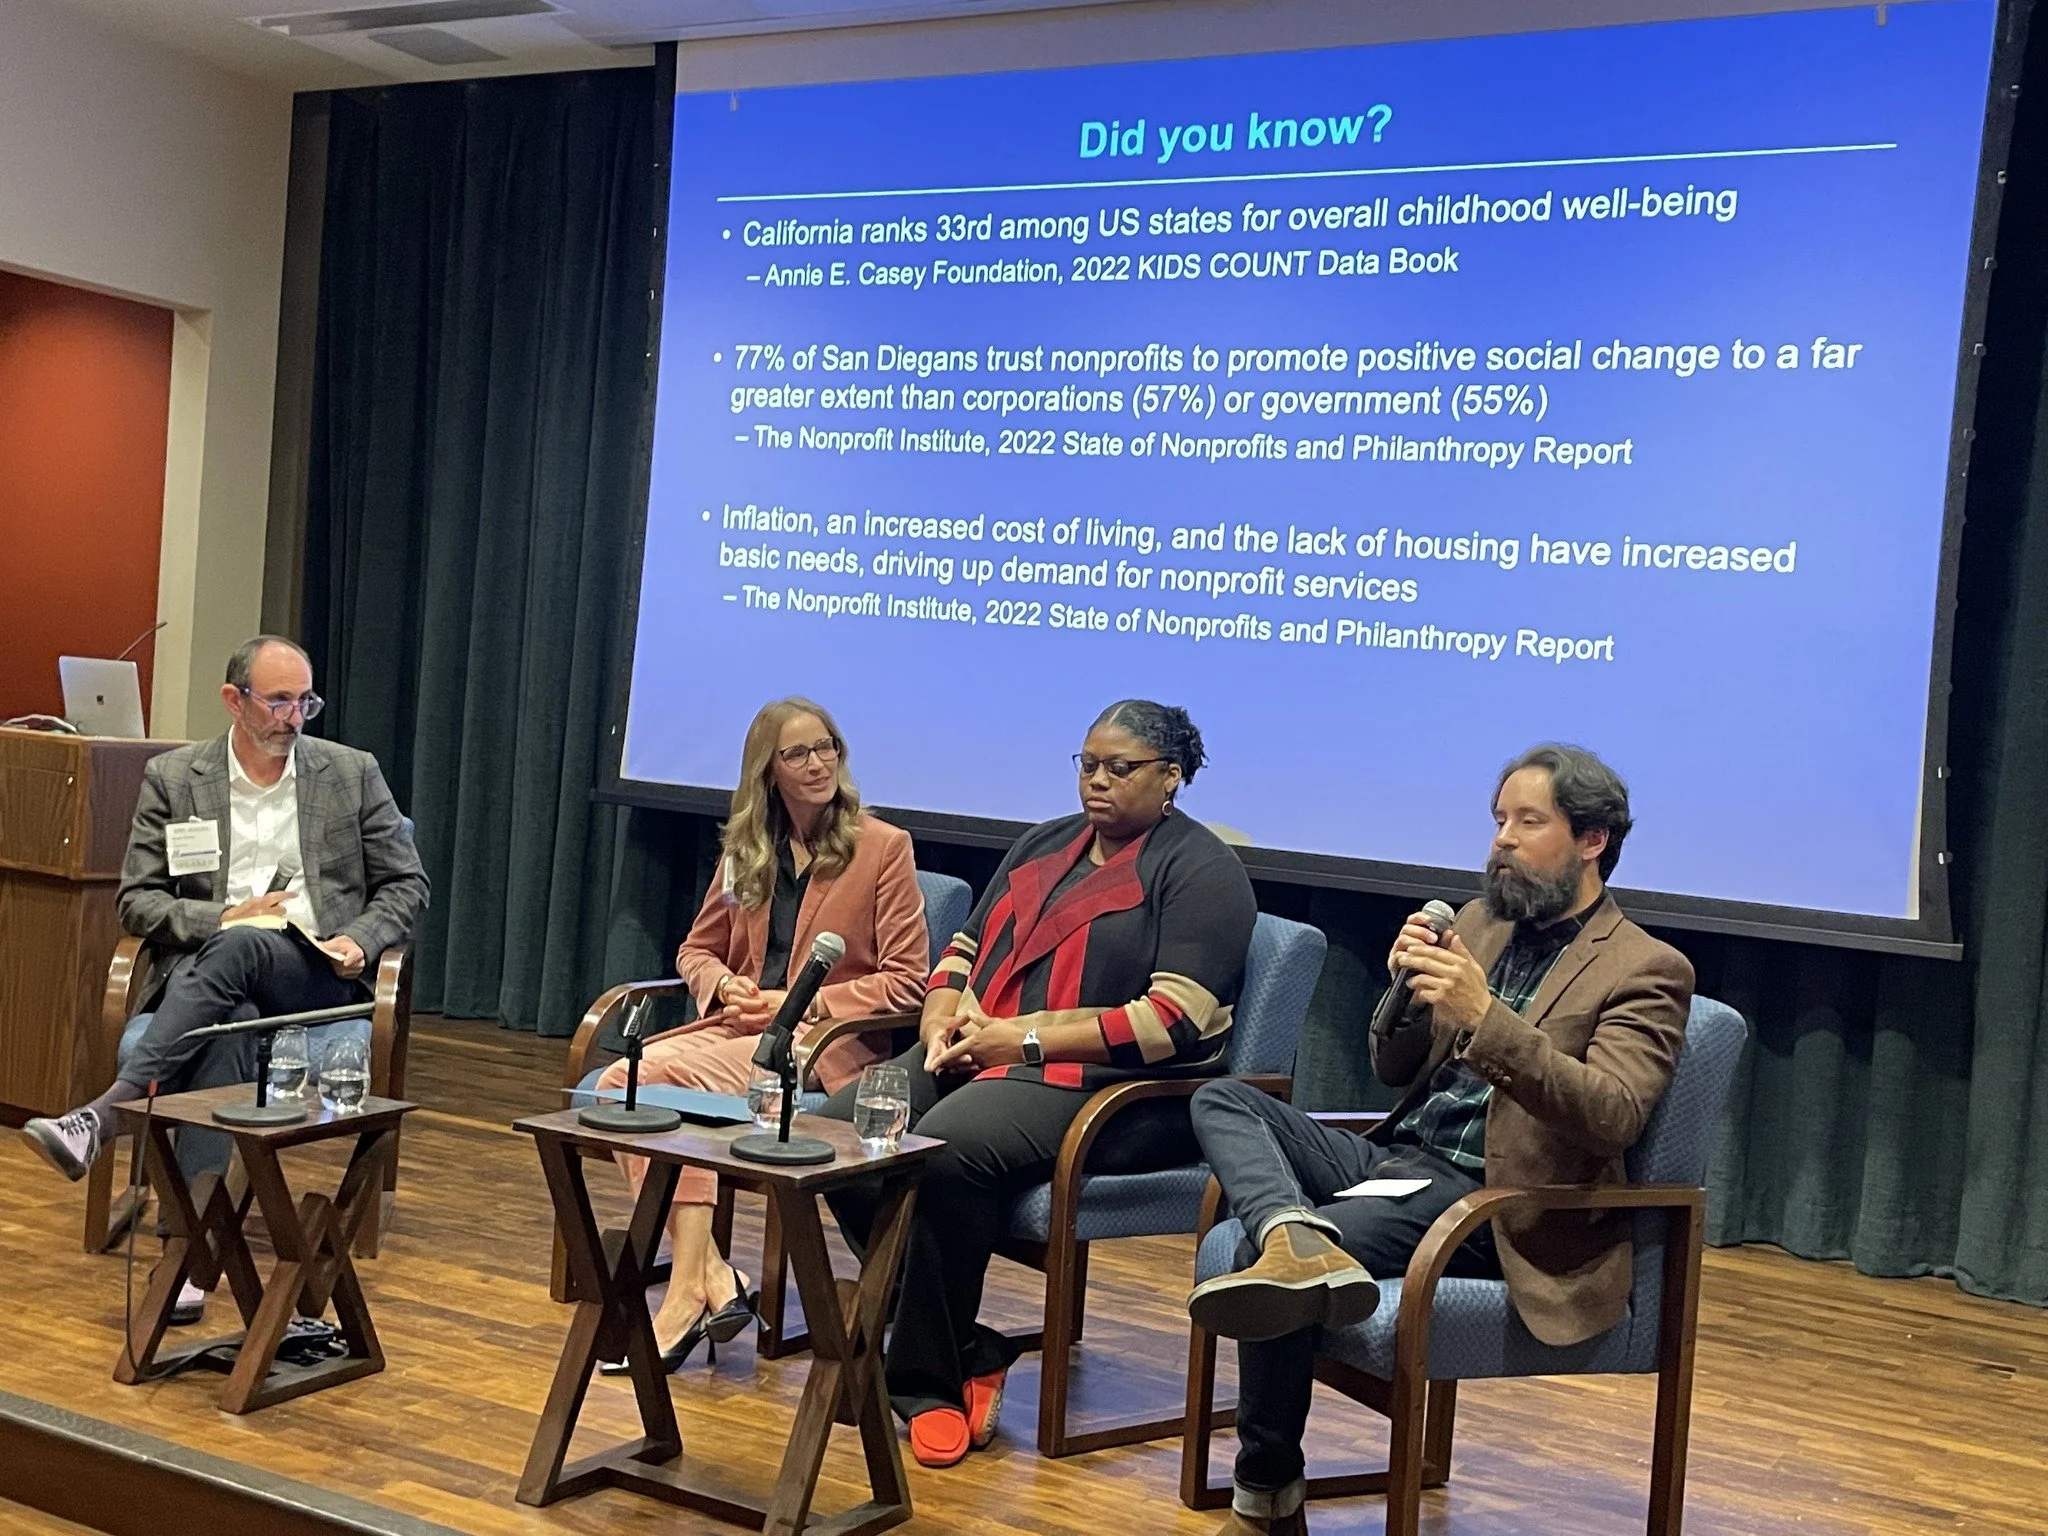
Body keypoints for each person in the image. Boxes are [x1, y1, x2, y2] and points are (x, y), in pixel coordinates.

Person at [1182, 743, 1693, 1536]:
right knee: (1226, 1098)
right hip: (1399, 1157)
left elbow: (1614, 1113)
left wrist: (1487, 1020)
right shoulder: (1483, 926)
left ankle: (1265, 1494)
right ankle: (1291, 1229)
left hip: (1493, 1198)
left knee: (1270, 1265)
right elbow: (1391, 1070)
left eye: (1529, 822)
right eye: (1498, 821)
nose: (1502, 841)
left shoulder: (1645, 967)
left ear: (1592, 840)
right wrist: (1409, 995)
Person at [818, 699, 1258, 1469]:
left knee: (950, 1152)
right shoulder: (1044, 843)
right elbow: (963, 943)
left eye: (1120, 768)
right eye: (1087, 764)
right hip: (988, 1052)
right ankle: (965, 1346)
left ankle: (926, 1382)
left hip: (1117, 1091)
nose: (1097, 781)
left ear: (1172, 778)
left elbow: (1172, 1022)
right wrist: (942, 1012)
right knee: (837, 1133)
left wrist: (1018, 1040)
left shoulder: (1202, 870)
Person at [21, 636, 428, 1318]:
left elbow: (406, 885)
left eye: (306, 701)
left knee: (241, 949)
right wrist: (223, 915)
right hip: (212, 982)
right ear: (234, 700)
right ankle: (195, 1259)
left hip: (315, 970)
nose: (294, 718)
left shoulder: (351, 773)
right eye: (278, 701)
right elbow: (137, 900)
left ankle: (105, 1114)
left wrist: (359, 940)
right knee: (229, 1024)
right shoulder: (178, 779)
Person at [597, 697, 927, 1371]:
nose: (818, 764)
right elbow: (696, 950)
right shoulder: (748, 850)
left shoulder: (882, 848)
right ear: (767, 770)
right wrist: (722, 984)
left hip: (820, 1048)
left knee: (647, 1083)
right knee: (615, 1085)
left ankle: (698, 1284)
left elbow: (906, 983)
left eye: (827, 747)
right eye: (798, 753)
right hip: (736, 1033)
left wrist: (790, 1002)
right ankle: (709, 1275)